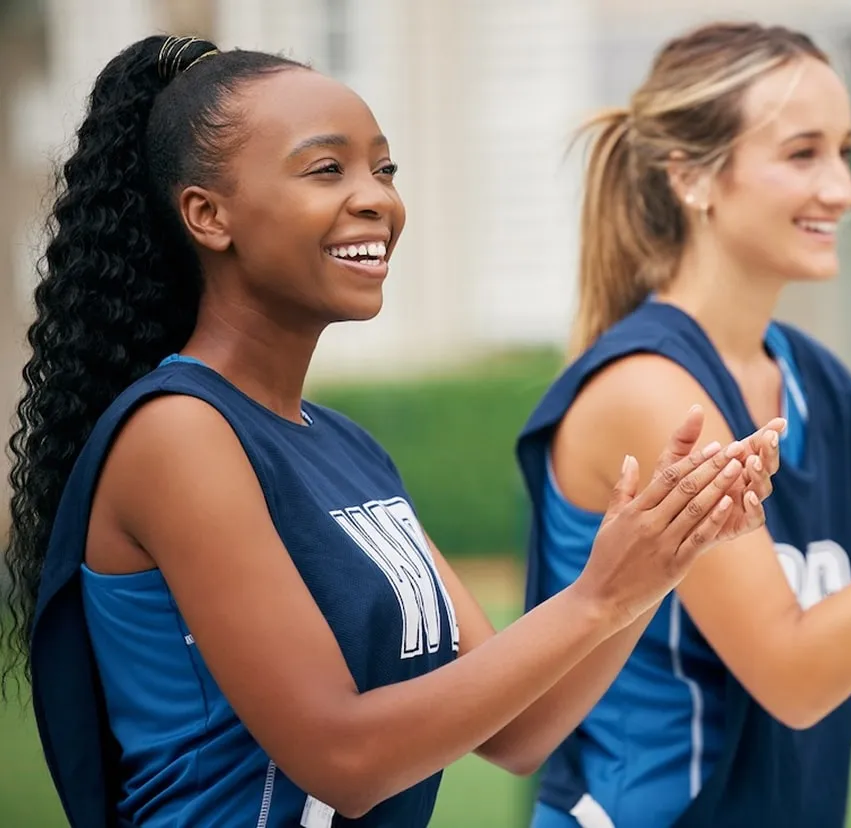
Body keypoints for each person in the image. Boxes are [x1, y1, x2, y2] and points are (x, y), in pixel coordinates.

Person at [0, 34, 784, 828]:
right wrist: (597, 592)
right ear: (209, 215)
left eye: (384, 168)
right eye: (326, 168)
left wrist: (653, 566)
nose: (377, 198)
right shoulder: (177, 436)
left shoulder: (349, 447)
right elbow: (344, 759)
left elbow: (519, 731)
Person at [517, 21, 851, 828]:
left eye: (844, 151)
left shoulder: (822, 386)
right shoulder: (654, 391)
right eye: (803, 153)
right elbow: (794, 676)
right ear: (692, 178)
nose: (842, 189)